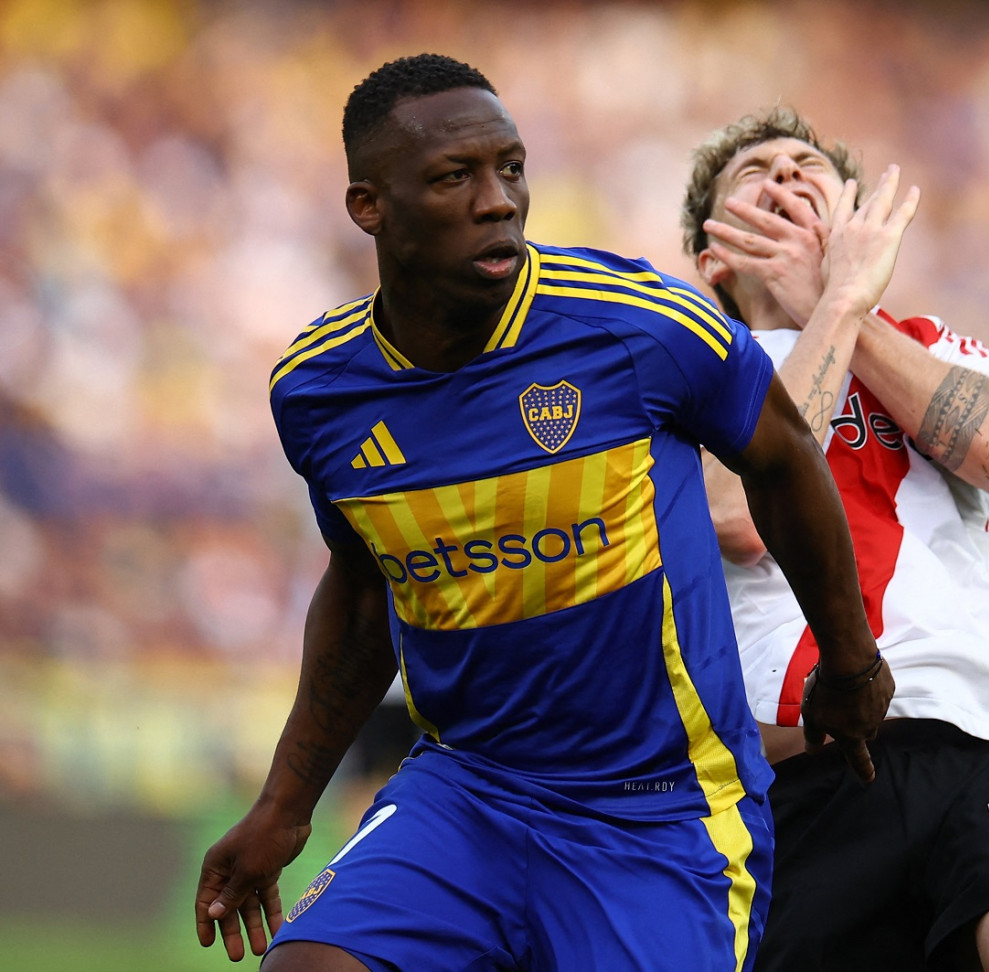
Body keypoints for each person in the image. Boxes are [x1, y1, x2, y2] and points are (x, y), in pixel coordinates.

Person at [193, 56, 913, 972]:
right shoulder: (318, 390)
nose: (500, 201)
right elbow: (364, 587)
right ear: (368, 207)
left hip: (661, 813)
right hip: (468, 794)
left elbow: (783, 458)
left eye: (512, 168)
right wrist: (284, 807)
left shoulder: (637, 325)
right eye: (457, 177)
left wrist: (850, 661)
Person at [682, 107, 989, 971]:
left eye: (807, 165)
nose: (784, 177)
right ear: (713, 254)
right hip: (802, 753)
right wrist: (835, 306)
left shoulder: (928, 347)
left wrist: (847, 308)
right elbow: (738, 517)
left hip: (983, 723)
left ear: (853, 221)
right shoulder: (692, 373)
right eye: (756, 173)